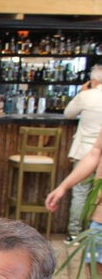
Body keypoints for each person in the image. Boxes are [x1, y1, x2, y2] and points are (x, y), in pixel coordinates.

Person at [45, 127, 102, 279]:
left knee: (99, 278)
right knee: (95, 274)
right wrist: (64, 186)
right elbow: (95, 153)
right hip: (98, 215)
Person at [61, 64, 102, 243]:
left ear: (93, 80)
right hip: (95, 152)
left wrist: (81, 91)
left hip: (85, 151)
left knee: (80, 192)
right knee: (98, 196)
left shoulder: (86, 95)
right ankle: (92, 233)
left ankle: (75, 233)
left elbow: (68, 113)